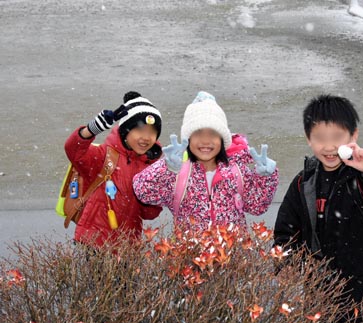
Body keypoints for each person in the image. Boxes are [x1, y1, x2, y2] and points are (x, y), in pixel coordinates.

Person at [273, 95, 363, 323]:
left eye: (337, 137)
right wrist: (286, 264)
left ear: (353, 136)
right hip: (319, 289)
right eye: (320, 139)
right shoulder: (304, 182)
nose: (328, 147)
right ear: (308, 139)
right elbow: (286, 230)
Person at [133, 91, 279, 232]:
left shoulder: (237, 171)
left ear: (223, 139)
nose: (205, 140)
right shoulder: (177, 173)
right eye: (198, 133)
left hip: (232, 255)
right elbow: (143, 192)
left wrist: (266, 178)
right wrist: (166, 168)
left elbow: (257, 206)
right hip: (190, 255)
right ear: (187, 138)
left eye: (213, 133)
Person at [65, 91, 163, 247]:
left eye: (152, 132)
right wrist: (92, 129)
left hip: (128, 245)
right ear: (125, 131)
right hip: (93, 241)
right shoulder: (105, 156)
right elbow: (74, 151)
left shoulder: (152, 167)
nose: (146, 137)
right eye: (140, 130)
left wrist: (160, 184)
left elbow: (149, 214)